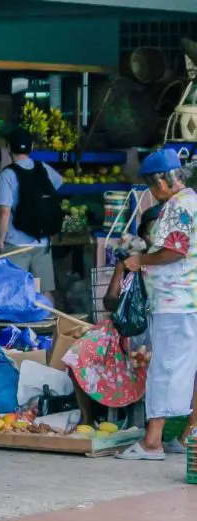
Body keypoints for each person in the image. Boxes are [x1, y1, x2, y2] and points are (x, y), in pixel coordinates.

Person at [118, 148, 197, 460]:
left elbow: (175, 251)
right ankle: (188, 434)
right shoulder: (193, 201)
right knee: (189, 371)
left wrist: (140, 260)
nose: (152, 192)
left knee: (164, 369)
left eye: (152, 185)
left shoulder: (177, 206)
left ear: (163, 180)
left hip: (175, 301)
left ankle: (152, 441)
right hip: (189, 300)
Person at [62, 207, 160, 426]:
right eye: (151, 231)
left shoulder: (170, 265)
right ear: (143, 235)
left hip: (154, 331)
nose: (155, 236)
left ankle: (152, 426)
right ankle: (87, 419)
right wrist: (127, 302)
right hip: (119, 329)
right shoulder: (127, 262)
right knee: (77, 354)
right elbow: (109, 299)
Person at [0, 128, 64, 300]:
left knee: (14, 290)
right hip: (41, 243)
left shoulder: (8, 174)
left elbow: (4, 212)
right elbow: (59, 182)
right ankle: (48, 324)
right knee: (41, 289)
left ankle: (18, 326)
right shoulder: (43, 168)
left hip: (16, 245)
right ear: (32, 146)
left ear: (9, 148)